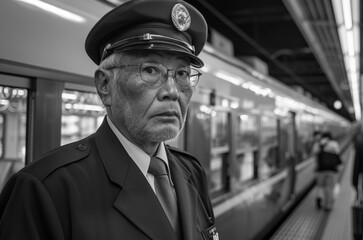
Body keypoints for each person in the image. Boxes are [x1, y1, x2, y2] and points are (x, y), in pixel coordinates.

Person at [0, 1, 219, 239]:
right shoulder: (45, 190)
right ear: (105, 86)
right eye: (150, 70)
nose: (173, 91)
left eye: (182, 74)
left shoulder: (191, 172)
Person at [314, 131, 342, 211]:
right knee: (329, 187)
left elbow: (314, 153)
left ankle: (320, 200)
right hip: (332, 169)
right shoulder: (334, 144)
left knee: (320, 186)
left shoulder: (318, 143)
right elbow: (338, 153)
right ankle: (328, 205)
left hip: (321, 169)